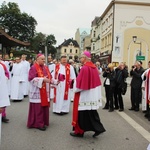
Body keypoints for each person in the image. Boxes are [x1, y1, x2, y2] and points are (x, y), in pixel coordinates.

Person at [70, 51, 105, 138]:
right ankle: (98, 128)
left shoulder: (85, 68)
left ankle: (79, 131)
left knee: (82, 114)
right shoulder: (93, 67)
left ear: (85, 58)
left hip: (85, 95)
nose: (80, 59)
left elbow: (80, 84)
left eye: (81, 57)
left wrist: (73, 82)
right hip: (92, 95)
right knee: (91, 113)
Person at [27, 54, 57, 131]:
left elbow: (49, 78)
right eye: (42, 59)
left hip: (45, 91)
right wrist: (42, 80)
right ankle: (38, 124)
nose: (44, 61)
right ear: (37, 59)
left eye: (44, 59)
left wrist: (56, 82)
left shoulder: (45, 68)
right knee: (38, 109)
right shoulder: (33, 68)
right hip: (37, 91)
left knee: (44, 108)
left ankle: (43, 122)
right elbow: (31, 79)